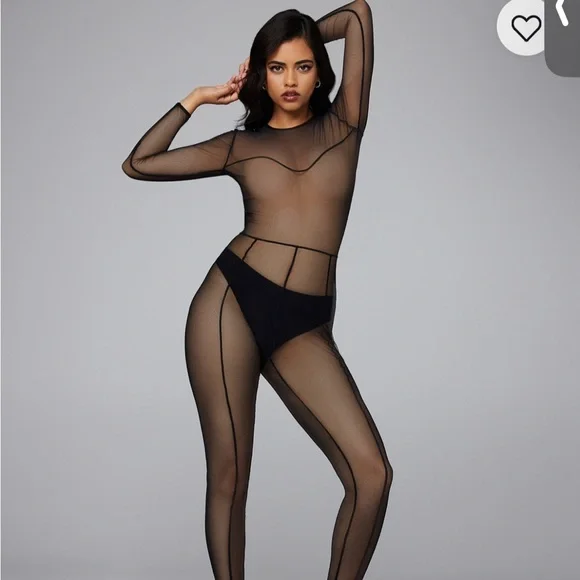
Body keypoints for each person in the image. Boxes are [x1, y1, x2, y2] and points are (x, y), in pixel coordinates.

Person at [121, 1, 393, 578]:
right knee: (229, 475)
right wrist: (197, 99)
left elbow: (358, 15)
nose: (289, 79)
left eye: (302, 65)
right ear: (261, 75)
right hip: (231, 305)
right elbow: (140, 163)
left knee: (371, 474)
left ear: (320, 72)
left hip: (305, 322)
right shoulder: (239, 145)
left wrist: (302, 32)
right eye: (276, 67)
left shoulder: (345, 124)